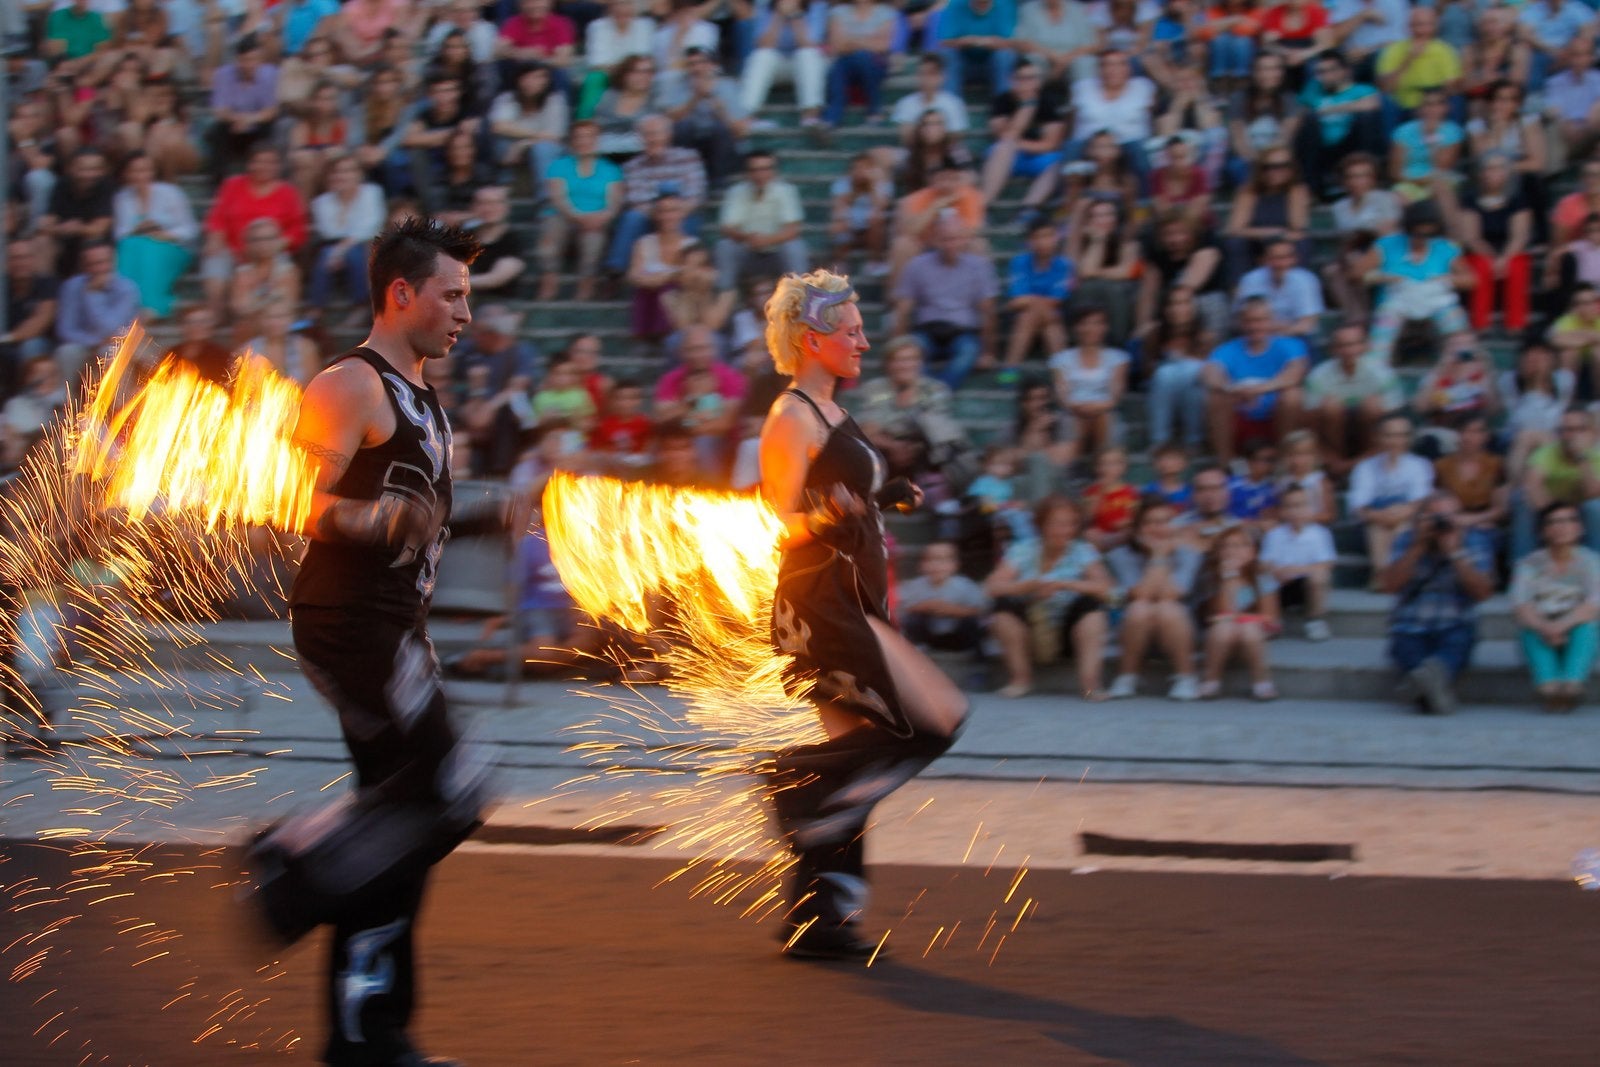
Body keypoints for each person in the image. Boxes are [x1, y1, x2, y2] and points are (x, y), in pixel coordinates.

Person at [265, 216, 493, 1064]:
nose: (466, 312)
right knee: (450, 789)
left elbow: (414, 523)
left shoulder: (424, 399)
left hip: (396, 626)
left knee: (406, 825)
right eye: (454, 293)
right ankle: (289, 856)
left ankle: (367, 1036)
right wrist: (373, 517)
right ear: (402, 294)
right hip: (351, 623)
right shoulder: (346, 384)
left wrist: (470, 518)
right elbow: (283, 503)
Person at [757, 269, 967, 959]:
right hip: (822, 601)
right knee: (934, 717)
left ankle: (820, 915)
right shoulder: (792, 415)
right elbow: (778, 521)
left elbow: (847, 490)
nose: (865, 343)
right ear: (813, 339)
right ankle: (792, 782)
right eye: (851, 332)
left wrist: (883, 496)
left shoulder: (833, 413)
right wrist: (828, 513)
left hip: (851, 595)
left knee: (852, 760)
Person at [984, 495, 1113, 699]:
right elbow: (992, 586)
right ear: (1041, 525)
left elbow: (1106, 588)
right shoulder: (1023, 550)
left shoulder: (1082, 551)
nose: (1064, 530)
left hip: (1068, 631)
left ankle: (1090, 685)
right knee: (1003, 612)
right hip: (1031, 629)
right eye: (1056, 524)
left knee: (1093, 611)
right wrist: (1027, 588)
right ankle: (1020, 680)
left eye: (1070, 524)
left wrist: (1066, 584)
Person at [1381, 490, 1495, 716]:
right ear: (1421, 519)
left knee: (1453, 647)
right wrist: (1417, 547)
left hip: (1455, 624)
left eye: (1448, 517)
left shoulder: (1473, 540)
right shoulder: (1406, 539)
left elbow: (1483, 592)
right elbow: (1389, 586)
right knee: (1409, 650)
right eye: (1435, 517)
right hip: (1409, 625)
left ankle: (1420, 684)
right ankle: (1432, 686)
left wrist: (1455, 553)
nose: (1442, 524)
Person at [1105, 495, 1203, 701]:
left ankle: (1186, 677)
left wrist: (1159, 555)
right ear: (1138, 528)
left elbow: (1173, 594)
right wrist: (1159, 556)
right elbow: (1141, 594)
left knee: (1167, 607)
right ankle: (1127, 676)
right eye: (1150, 522)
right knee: (1140, 607)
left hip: (1177, 625)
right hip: (1133, 625)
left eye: (1165, 522)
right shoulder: (1120, 555)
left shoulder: (1188, 553)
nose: (1158, 528)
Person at [1511, 501, 1600, 713]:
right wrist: (1546, 626)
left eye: (1569, 520)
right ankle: (1548, 686)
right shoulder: (1529, 564)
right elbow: (1521, 605)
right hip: (1541, 625)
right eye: (1554, 522)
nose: (1562, 527)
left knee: (1587, 626)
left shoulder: (1591, 562)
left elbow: (1594, 603)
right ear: (1543, 531)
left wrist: (1559, 626)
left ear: (1579, 528)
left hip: (1575, 625)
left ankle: (1572, 684)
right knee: (1529, 626)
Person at [891, 219, 1000, 389]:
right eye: (945, 239)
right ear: (935, 240)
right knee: (914, 353)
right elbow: (903, 309)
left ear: (964, 240)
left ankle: (938, 392)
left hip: (963, 332)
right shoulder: (917, 266)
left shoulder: (979, 267)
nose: (950, 245)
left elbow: (988, 311)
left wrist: (988, 352)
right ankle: (929, 391)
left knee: (967, 353)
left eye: (955, 239)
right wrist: (897, 346)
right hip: (927, 330)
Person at [1203, 297, 1308, 464]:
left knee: (1293, 396)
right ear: (1241, 323)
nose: (1255, 326)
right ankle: (1227, 464)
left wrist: (1259, 389)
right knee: (1216, 397)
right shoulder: (1226, 350)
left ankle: (1282, 462)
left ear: (1270, 321)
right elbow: (1210, 374)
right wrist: (1232, 389)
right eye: (1249, 321)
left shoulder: (1290, 345)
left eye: (1260, 320)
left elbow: (1295, 373)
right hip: (1240, 418)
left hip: (1278, 418)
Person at [1303, 321, 1401, 476]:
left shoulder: (1382, 374)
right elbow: (1310, 426)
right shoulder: (1318, 376)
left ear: (1365, 346)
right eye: (1342, 346)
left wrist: (1350, 465)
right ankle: (1336, 465)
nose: (1348, 351)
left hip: (1372, 440)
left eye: (1354, 344)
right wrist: (1328, 457)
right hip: (1331, 439)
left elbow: (1395, 422)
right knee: (1330, 406)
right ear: (1333, 349)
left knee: (1372, 406)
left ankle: (1366, 466)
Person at [1195, 525, 1281, 700]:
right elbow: (1219, 614)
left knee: (1248, 630)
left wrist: (1240, 619)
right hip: (1224, 628)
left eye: (1241, 545)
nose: (1232, 551)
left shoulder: (1261, 576)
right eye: (1226, 546)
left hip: (1257, 628)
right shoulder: (1213, 577)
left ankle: (1261, 682)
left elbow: (1270, 615)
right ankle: (1212, 680)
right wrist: (1229, 578)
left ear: (1253, 552)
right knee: (1224, 629)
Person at [1513, 408, 1600, 562]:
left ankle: (1596, 566)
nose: (1571, 435)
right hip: (1548, 509)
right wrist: (1558, 519)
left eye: (1579, 429)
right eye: (1565, 430)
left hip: (1582, 513)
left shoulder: (1596, 457)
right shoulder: (1548, 452)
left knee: (1594, 507)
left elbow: (1593, 493)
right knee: (1523, 500)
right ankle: (1522, 566)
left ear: (1592, 433)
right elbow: (1532, 484)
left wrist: (1581, 457)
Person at [714, 150, 809, 289]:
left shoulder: (786, 191)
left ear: (773, 171)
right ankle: (725, 294)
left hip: (777, 252)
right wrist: (748, 237)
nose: (760, 175)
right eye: (754, 170)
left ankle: (800, 298)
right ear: (747, 173)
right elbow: (727, 228)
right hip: (746, 249)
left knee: (794, 247)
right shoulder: (736, 192)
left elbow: (793, 229)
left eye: (765, 169)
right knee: (725, 246)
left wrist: (767, 240)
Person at [54, 242, 141, 381]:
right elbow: (65, 330)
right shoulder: (71, 287)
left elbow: (110, 329)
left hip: (116, 343)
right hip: (84, 343)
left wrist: (93, 294)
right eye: (92, 264)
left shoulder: (127, 289)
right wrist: (93, 342)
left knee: (109, 352)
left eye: (102, 263)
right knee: (66, 352)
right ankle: (66, 399)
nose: (98, 269)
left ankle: (112, 401)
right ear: (84, 266)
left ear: (112, 262)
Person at [1260, 484, 1335, 640]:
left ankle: (1315, 620)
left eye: (1301, 505)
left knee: (1320, 576)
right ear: (1282, 511)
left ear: (1310, 508)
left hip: (1305, 587)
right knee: (1263, 578)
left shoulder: (1320, 534)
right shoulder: (1274, 535)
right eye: (1289, 507)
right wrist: (1276, 571)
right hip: (1280, 587)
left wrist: (1295, 571)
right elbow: (1265, 562)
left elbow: (1326, 563)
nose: (1295, 512)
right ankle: (1272, 621)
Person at [899, 541, 991, 653]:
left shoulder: (965, 586)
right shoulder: (914, 586)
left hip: (957, 633)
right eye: (930, 560)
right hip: (929, 634)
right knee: (913, 620)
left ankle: (972, 652)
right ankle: (919, 647)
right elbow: (902, 608)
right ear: (921, 565)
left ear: (955, 565)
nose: (936, 565)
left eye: (943, 560)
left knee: (972, 622)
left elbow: (982, 609)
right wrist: (924, 606)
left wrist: (954, 610)